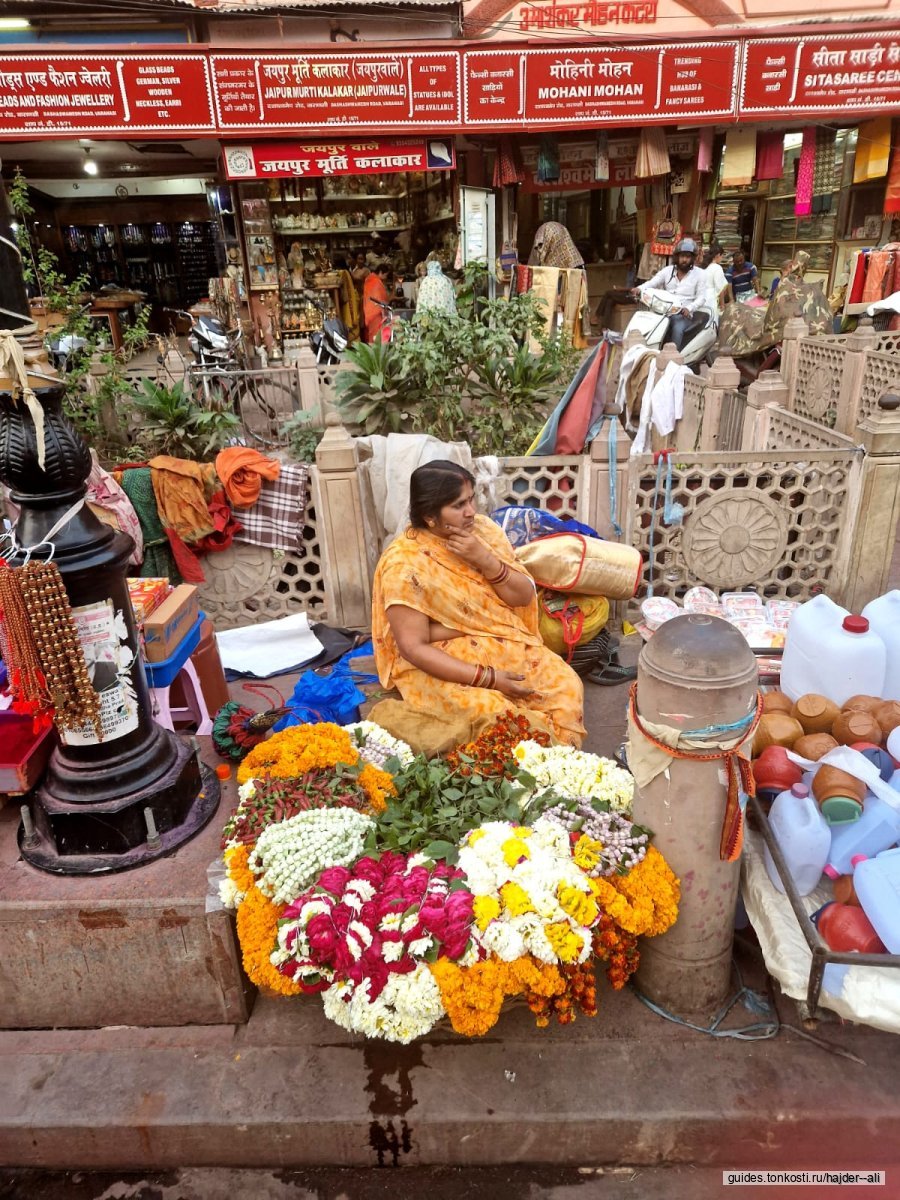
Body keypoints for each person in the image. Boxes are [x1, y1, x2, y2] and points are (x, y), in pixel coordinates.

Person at [370, 460, 586, 755]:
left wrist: (484, 559)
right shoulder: (405, 562)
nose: (471, 511)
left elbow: (522, 596)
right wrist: (490, 678)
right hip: (442, 661)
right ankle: (537, 771)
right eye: (459, 505)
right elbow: (413, 646)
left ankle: (562, 762)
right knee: (497, 714)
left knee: (566, 687)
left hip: (501, 640)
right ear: (430, 517)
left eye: (471, 499)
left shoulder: (484, 532)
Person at [633, 237, 708, 351]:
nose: (684, 260)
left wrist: (689, 308)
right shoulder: (667, 271)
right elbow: (653, 282)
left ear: (692, 259)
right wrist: (639, 289)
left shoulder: (700, 274)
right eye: (682, 256)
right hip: (664, 311)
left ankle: (674, 358)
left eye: (688, 257)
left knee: (677, 328)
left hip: (683, 314)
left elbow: (701, 298)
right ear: (677, 257)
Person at [414, 254, 456, 319]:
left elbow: (421, 299)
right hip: (444, 316)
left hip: (428, 317)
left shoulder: (426, 281)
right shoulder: (445, 280)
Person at [362, 260, 392, 343]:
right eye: (386, 275)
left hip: (368, 312)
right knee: (376, 337)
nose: (386, 278)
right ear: (381, 272)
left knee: (372, 335)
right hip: (376, 313)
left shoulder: (369, 279)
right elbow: (382, 299)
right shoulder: (376, 282)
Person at [701, 243, 731, 318]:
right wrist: (722, 305)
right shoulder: (717, 268)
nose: (722, 258)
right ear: (718, 255)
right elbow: (720, 289)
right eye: (722, 255)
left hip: (703, 298)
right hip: (711, 299)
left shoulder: (706, 267)